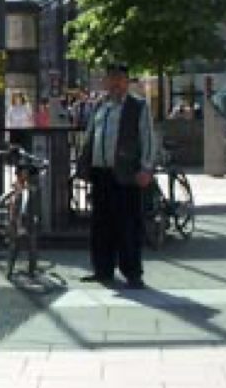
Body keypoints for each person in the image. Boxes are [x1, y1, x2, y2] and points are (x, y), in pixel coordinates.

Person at [77, 63, 155, 290]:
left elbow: (148, 138)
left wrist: (146, 167)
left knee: (128, 224)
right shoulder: (100, 106)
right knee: (101, 224)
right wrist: (84, 165)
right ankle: (102, 269)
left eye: (120, 79)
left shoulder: (138, 106)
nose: (115, 83)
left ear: (127, 82)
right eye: (111, 79)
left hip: (126, 173)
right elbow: (91, 135)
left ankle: (132, 273)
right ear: (105, 81)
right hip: (101, 173)